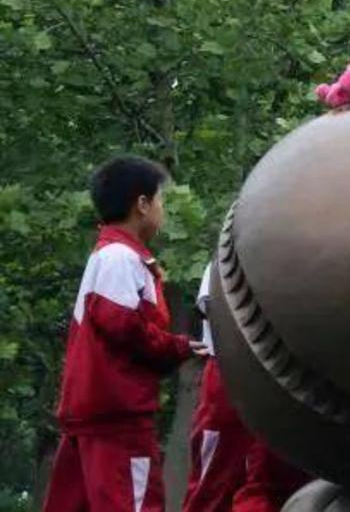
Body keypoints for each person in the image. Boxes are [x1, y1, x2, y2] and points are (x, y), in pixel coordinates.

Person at [45, 156, 206, 512]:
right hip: (118, 417)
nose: (163, 210)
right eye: (160, 200)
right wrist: (175, 347)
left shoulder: (109, 254)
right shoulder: (120, 256)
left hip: (94, 416)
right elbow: (122, 325)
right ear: (142, 204)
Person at [178, 266, 249, 512]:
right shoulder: (224, 259)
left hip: (272, 382)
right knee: (214, 478)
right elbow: (213, 307)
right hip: (227, 371)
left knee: (261, 480)